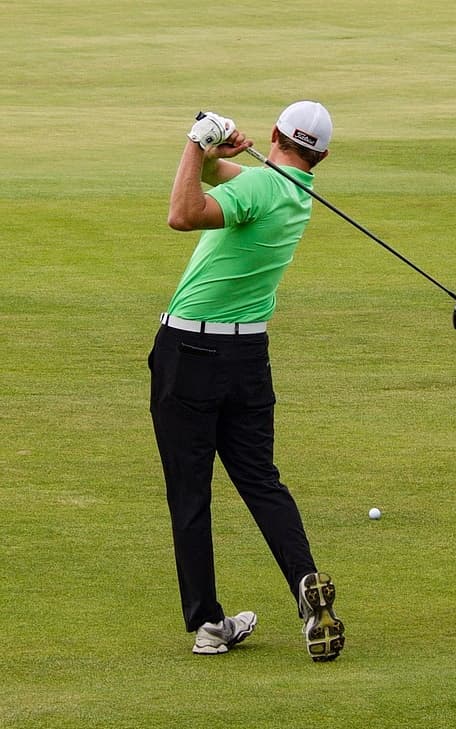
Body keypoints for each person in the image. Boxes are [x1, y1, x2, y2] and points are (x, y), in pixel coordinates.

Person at [149, 102, 345, 661]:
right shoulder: (296, 192)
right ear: (322, 156)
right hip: (248, 355)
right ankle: (303, 579)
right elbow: (223, 182)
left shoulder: (261, 188)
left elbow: (183, 215)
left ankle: (209, 623)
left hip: (188, 351)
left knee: (190, 489)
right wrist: (215, 156)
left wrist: (194, 143)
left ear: (277, 133)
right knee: (261, 479)